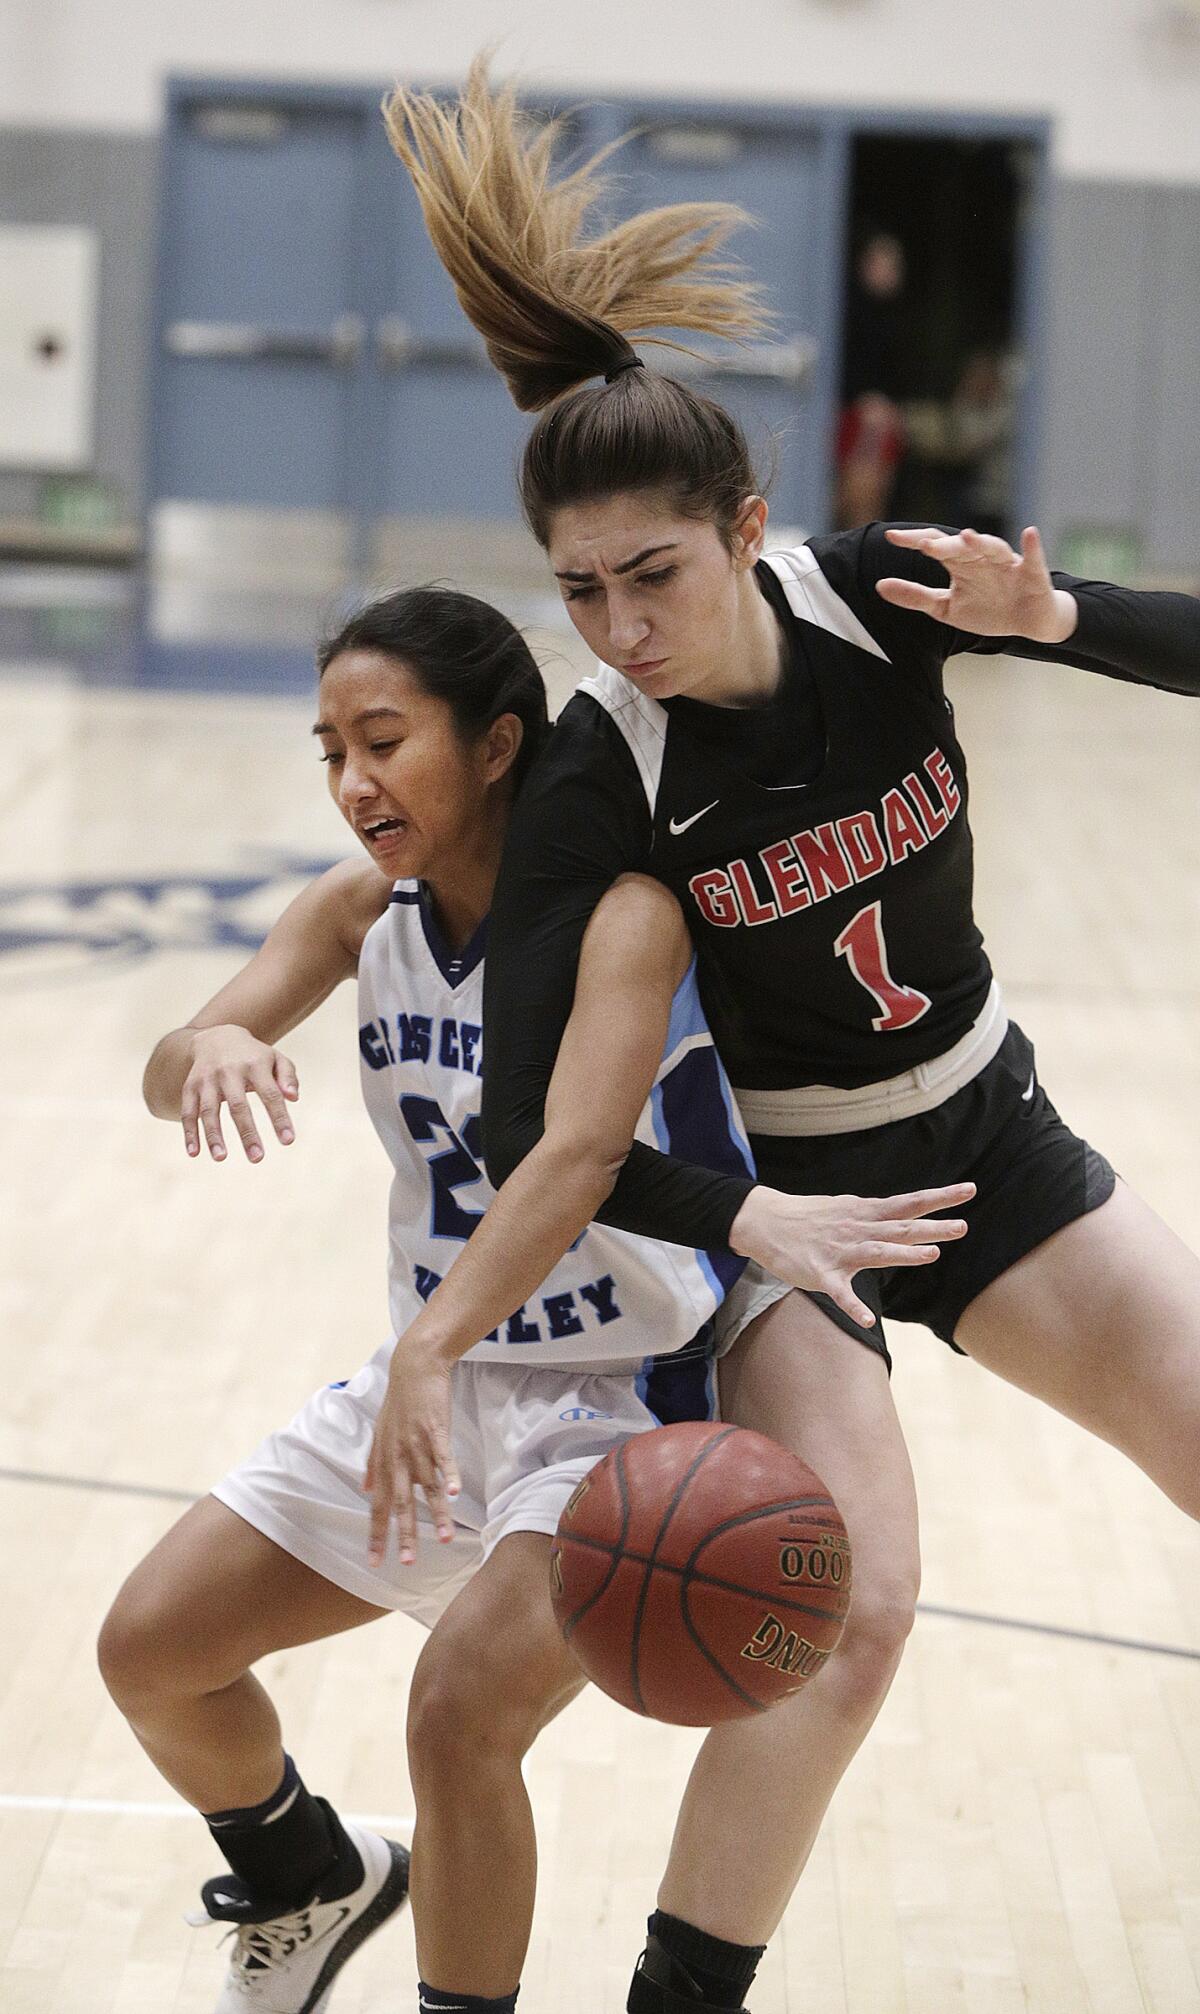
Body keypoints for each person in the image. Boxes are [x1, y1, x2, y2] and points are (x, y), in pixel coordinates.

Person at [376, 61, 1200, 2013]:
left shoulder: (883, 598)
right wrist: (743, 1225)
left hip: (991, 1151)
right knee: (858, 1604)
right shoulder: (601, 778)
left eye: (651, 574)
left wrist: (1064, 614)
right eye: (581, 593)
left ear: (747, 526)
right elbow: (519, 1131)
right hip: (782, 1211)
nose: (621, 627)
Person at [97, 583, 967, 2014]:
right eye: (330, 750)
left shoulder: (624, 917)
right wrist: (201, 1053)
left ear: (498, 743)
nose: (353, 781)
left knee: (454, 1713)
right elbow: (187, 1040)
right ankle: (308, 1873)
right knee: (151, 1652)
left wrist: (434, 1347)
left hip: (615, 1393)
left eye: (384, 739)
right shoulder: (358, 911)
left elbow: (575, 1162)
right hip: (440, 1380)